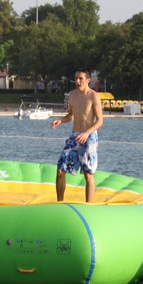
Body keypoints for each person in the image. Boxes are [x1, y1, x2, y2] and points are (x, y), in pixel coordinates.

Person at [50, 70, 104, 203]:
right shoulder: (72, 95)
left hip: (89, 135)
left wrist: (87, 133)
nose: (77, 81)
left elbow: (100, 121)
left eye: (80, 79)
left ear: (88, 80)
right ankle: (60, 202)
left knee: (88, 174)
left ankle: (88, 204)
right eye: (76, 78)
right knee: (60, 170)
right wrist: (61, 120)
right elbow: (71, 116)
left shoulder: (93, 96)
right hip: (75, 136)